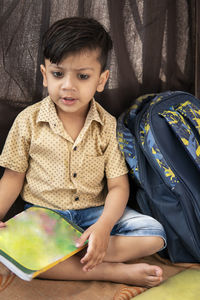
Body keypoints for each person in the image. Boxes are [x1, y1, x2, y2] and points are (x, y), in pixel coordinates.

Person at [0, 17, 166, 287]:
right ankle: (108, 270)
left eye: (83, 76)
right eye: (58, 74)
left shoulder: (107, 126)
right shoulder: (28, 121)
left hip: (94, 214)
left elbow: (118, 187)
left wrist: (102, 227)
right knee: (9, 250)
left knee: (155, 235)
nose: (68, 85)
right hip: (45, 218)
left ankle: (68, 255)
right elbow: (11, 178)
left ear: (101, 80)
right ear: (44, 75)